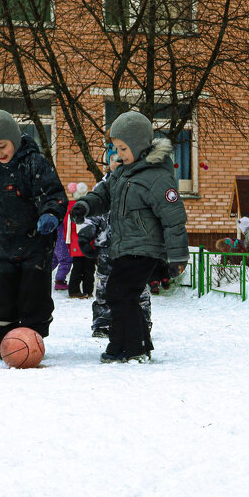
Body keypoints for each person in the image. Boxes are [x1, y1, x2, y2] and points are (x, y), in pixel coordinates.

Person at [70, 111, 188, 362]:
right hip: (124, 246)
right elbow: (102, 195)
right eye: (116, 148)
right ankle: (122, 345)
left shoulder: (157, 177)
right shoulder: (122, 174)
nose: (119, 154)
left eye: (123, 148)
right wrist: (85, 206)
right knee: (118, 294)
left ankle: (135, 348)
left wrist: (177, 256)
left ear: (137, 145)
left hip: (146, 247)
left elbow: (174, 218)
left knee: (122, 293)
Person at [0, 110, 68, 362]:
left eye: (2, 146)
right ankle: (0, 342)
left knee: (33, 293)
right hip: (5, 243)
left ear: (14, 138)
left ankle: (32, 338)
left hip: (36, 242)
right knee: (1, 294)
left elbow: (54, 194)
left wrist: (50, 214)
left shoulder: (34, 163)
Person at [52, 183, 78, 291]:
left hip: (56, 239)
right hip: (63, 240)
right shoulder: (70, 208)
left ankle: (40, 274)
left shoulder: (59, 208)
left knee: (54, 259)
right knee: (65, 260)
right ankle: (60, 281)